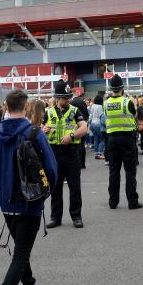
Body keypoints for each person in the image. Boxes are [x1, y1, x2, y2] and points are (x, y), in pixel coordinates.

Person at [0, 89, 58, 285]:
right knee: (22, 252)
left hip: (6, 199)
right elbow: (51, 168)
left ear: (6, 106)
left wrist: (4, 192)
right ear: (26, 106)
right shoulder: (34, 133)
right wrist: (46, 192)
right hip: (30, 200)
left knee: (20, 247)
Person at [44, 80, 88, 229]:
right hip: (54, 153)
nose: (67, 100)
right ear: (57, 98)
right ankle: (55, 217)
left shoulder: (75, 111)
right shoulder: (48, 112)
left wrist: (72, 136)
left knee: (74, 186)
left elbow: (84, 128)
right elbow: (39, 128)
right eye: (64, 97)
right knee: (55, 187)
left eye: (68, 97)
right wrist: (43, 130)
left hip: (71, 152)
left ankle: (76, 216)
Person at [104, 74, 143, 210]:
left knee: (113, 171)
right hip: (127, 139)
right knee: (130, 171)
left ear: (111, 88)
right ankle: (132, 201)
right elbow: (134, 115)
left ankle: (113, 201)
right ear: (122, 88)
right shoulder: (128, 102)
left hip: (112, 139)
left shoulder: (106, 103)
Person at [89, 92, 105, 160]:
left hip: (92, 123)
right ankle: (100, 153)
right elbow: (101, 116)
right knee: (103, 139)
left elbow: (91, 115)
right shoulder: (100, 106)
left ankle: (96, 153)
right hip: (98, 124)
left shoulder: (93, 105)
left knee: (96, 139)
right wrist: (104, 125)